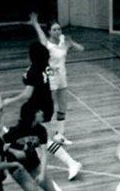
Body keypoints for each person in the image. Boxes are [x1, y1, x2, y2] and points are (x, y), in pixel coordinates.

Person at [4, 41, 82, 180]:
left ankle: (72, 163)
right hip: (46, 105)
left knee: (43, 140)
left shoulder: (33, 70)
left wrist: (9, 101)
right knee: (37, 138)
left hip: (37, 108)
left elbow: (27, 94)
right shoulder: (46, 66)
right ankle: (39, 166)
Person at [29, 12, 84, 143]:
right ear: (49, 32)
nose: (58, 31)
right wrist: (35, 24)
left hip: (62, 77)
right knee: (48, 108)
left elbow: (81, 49)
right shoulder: (46, 43)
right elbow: (40, 33)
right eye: (54, 29)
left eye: (59, 29)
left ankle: (60, 134)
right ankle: (42, 134)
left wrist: (72, 43)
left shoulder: (63, 40)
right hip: (51, 78)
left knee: (63, 106)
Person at [3, 102, 63, 191]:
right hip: (17, 167)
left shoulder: (41, 130)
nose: (42, 112)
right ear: (32, 115)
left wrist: (42, 173)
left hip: (32, 161)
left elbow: (44, 154)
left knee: (51, 190)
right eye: (38, 111)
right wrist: (14, 151)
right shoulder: (14, 132)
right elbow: (0, 147)